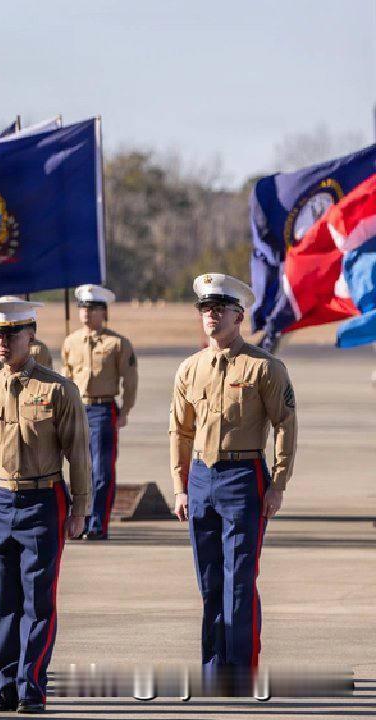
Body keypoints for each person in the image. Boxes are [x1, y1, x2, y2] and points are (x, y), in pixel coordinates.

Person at [170, 273, 296, 690]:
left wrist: (277, 483)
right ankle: (214, 669)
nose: (211, 316)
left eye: (220, 309)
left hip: (244, 477)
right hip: (202, 478)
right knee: (209, 581)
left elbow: (285, 425)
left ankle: (241, 672)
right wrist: (180, 485)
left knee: (238, 580)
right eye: (205, 309)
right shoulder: (190, 368)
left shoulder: (264, 367)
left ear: (239, 315)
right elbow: (180, 431)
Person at [0, 298, 89, 713]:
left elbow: (79, 452)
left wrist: (81, 508)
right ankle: (2, 685)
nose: (2, 343)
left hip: (43, 499)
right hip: (0, 500)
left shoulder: (58, 389)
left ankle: (32, 684)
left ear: (30, 336)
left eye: (11, 334)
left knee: (37, 600)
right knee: (1, 600)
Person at [61, 284, 138, 540]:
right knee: (75, 469)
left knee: (102, 472)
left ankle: (97, 525)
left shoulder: (117, 343)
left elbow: (130, 379)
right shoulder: (70, 342)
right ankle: (76, 522)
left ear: (104, 312)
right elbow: (66, 377)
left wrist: (125, 409)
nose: (86, 313)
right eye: (82, 307)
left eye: (92, 308)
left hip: (103, 410)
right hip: (77, 409)